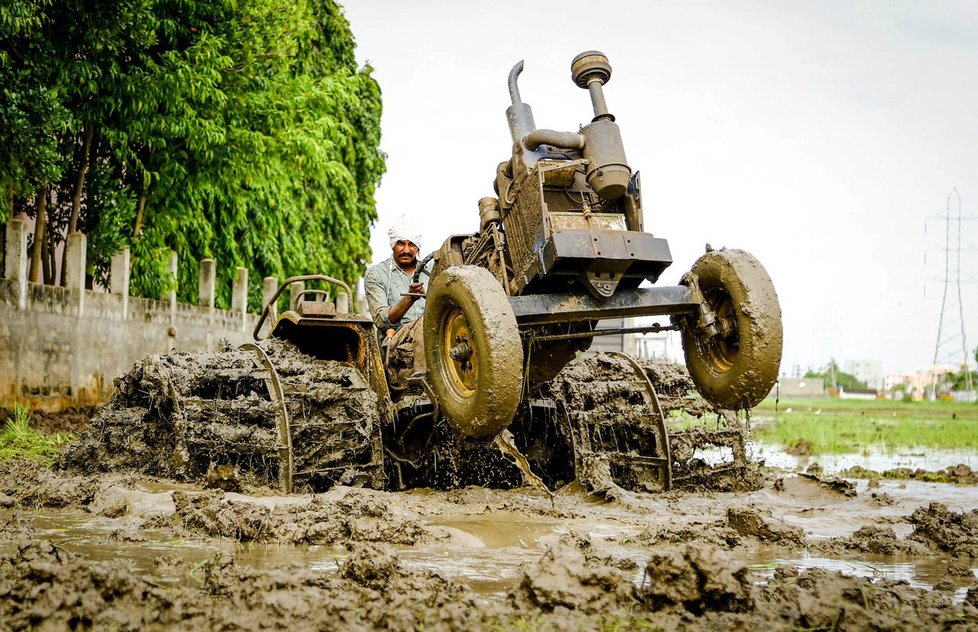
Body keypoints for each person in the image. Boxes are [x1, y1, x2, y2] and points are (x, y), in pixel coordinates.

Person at [364, 216, 429, 392]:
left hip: (434, 334)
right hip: (397, 343)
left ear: (418, 247)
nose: (406, 250)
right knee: (424, 324)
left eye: (411, 245)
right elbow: (382, 320)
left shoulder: (432, 272)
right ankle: (420, 386)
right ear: (393, 244)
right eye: (401, 243)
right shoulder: (376, 274)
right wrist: (409, 298)